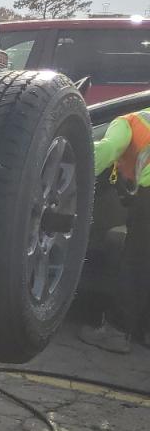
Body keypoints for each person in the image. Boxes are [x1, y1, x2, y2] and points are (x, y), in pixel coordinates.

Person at [79, 107, 150, 353]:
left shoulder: (128, 121)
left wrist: (75, 167)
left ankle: (116, 332)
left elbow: (106, 150)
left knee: (137, 263)